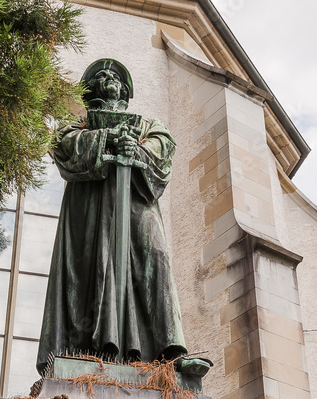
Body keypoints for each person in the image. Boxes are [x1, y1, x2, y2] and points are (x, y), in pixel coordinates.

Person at [36, 59, 206, 376]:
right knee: (92, 271)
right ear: (88, 92)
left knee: (155, 259)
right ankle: (89, 351)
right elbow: (63, 147)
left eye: (115, 76)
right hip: (89, 212)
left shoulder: (146, 125)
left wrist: (136, 149)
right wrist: (106, 140)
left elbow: (162, 150)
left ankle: (171, 356)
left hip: (137, 206)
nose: (108, 77)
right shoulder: (76, 125)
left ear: (125, 90)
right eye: (100, 75)